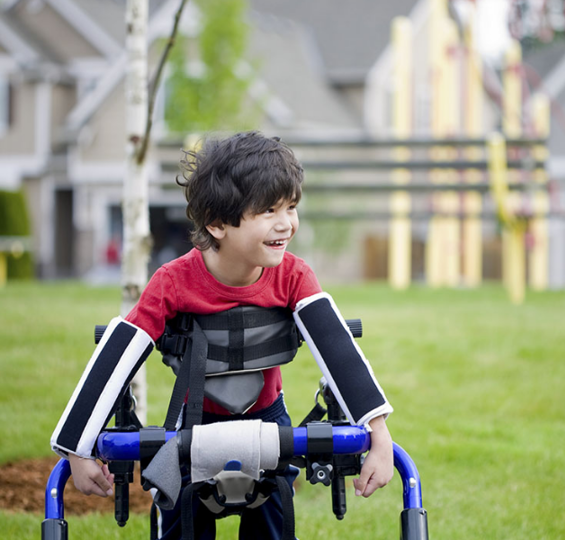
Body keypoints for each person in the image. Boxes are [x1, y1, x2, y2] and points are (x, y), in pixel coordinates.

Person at [50, 132, 394, 539]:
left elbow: (338, 351)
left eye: (291, 206)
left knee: (275, 524)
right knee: (180, 524)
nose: (286, 223)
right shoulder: (172, 282)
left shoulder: (293, 275)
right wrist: (76, 447)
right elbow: (121, 351)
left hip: (269, 423)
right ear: (216, 223)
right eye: (268, 210)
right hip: (192, 427)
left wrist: (379, 435)